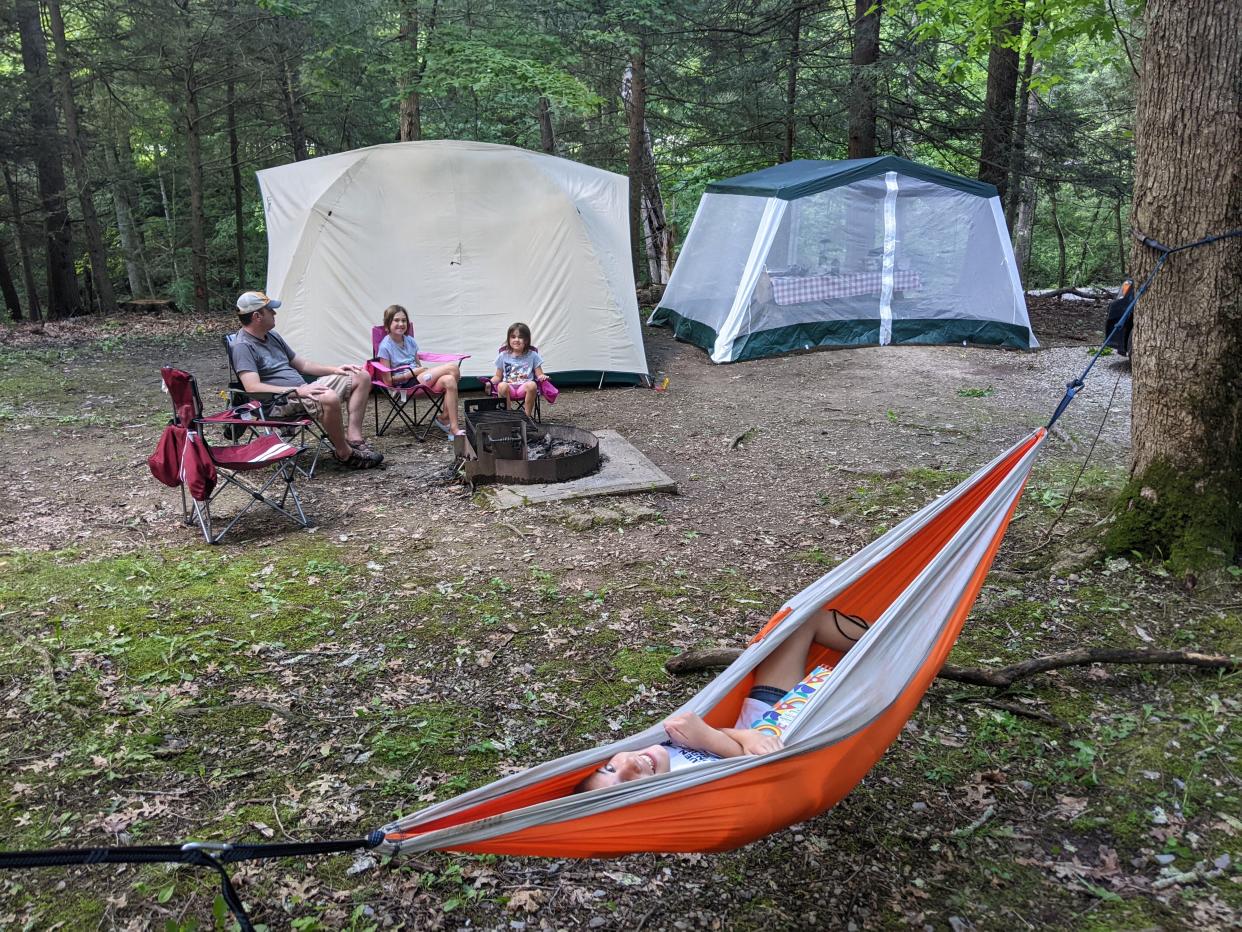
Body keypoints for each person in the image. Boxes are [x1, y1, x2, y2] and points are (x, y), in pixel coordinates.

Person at [579, 607, 870, 791]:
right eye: (626, 784)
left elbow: (707, 738)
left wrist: (738, 735)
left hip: (767, 709)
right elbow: (762, 772)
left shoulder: (658, 758)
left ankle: (896, 630)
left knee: (803, 618)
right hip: (802, 731)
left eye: (610, 768)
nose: (628, 766)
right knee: (885, 664)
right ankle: (904, 643)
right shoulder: (680, 793)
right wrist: (724, 740)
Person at [231, 290, 382, 470]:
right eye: (270, 310)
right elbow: (252, 387)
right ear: (257, 316)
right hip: (279, 401)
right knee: (328, 397)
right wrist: (296, 391)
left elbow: (303, 365)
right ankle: (345, 453)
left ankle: (355, 439)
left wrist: (336, 369)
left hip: (301, 390)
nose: (274, 313)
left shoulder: (272, 336)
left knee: (361, 375)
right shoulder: (242, 346)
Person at [376, 304, 464, 437]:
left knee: (450, 380)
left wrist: (419, 372)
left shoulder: (410, 341)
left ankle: (452, 426)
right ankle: (445, 418)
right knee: (453, 368)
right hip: (404, 385)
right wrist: (410, 374)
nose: (401, 324)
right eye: (396, 320)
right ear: (388, 324)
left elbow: (417, 364)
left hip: (418, 379)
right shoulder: (385, 346)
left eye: (404, 320)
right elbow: (388, 381)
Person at [492, 322, 548, 418]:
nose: (516, 340)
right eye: (513, 337)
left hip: (524, 388)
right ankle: (509, 416)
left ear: (526, 340)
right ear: (509, 339)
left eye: (520, 337)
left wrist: (542, 376)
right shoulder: (503, 355)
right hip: (509, 388)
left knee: (532, 384)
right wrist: (489, 382)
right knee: (502, 385)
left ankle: (526, 417)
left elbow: (539, 374)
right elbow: (498, 376)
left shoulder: (533, 355)